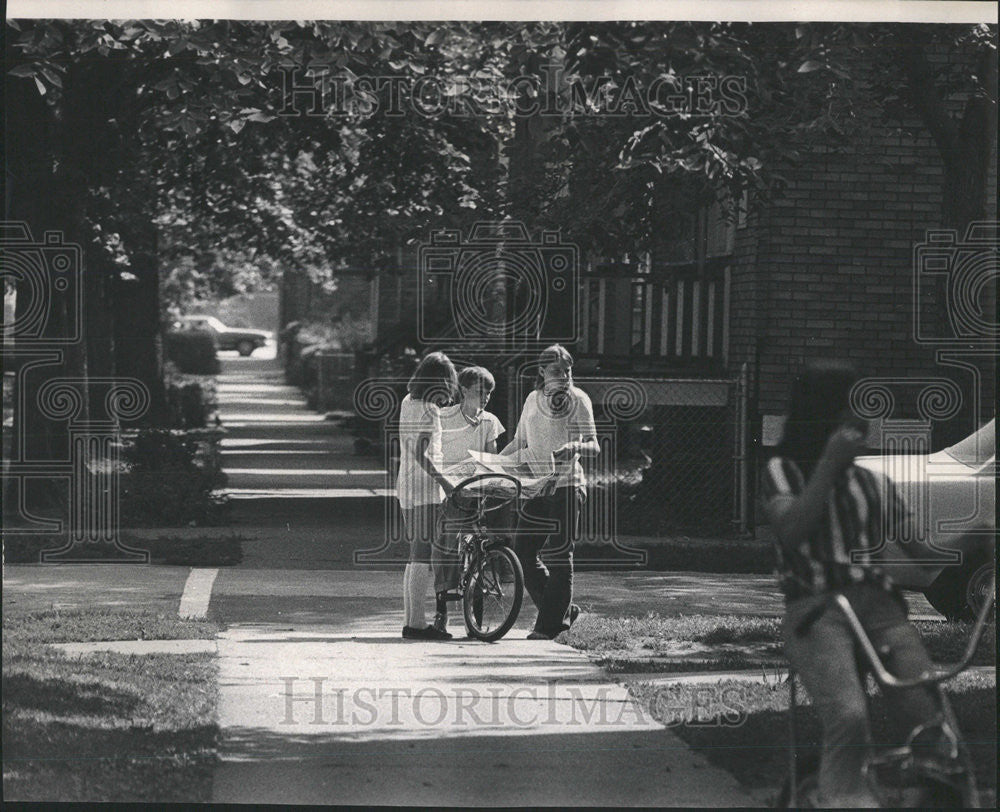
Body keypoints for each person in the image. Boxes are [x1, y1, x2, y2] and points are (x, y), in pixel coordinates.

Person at [761, 360, 953, 808]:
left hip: (880, 610)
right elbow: (790, 532)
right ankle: (843, 799)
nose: (861, 418)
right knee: (848, 717)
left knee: (929, 719)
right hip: (819, 612)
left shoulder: (873, 482)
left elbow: (923, 553)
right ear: (823, 412)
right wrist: (828, 464)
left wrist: (982, 536)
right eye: (850, 406)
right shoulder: (783, 472)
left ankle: (934, 794)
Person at [501, 344, 599, 640]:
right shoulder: (532, 399)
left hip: (568, 487)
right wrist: (488, 464)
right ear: (542, 371)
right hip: (537, 488)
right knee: (523, 552)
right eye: (557, 370)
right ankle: (561, 612)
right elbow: (520, 443)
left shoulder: (579, 399)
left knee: (560, 554)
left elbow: (594, 445)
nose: (564, 376)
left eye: (568, 370)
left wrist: (575, 447)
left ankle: (548, 626)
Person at [432, 366, 506, 635]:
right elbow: (434, 451)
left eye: (489, 392)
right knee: (448, 542)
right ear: (463, 391)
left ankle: (475, 614)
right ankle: (442, 608)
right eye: (479, 391)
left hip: (476, 490)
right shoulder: (445, 417)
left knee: (479, 546)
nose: (486, 397)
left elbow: (491, 458)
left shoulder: (490, 422)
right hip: (449, 488)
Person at [396, 351, 457, 641]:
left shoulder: (408, 401)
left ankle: (412, 621)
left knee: (414, 554)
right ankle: (417, 625)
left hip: (405, 481)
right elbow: (423, 453)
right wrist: (445, 482)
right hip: (425, 485)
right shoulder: (430, 409)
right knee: (422, 554)